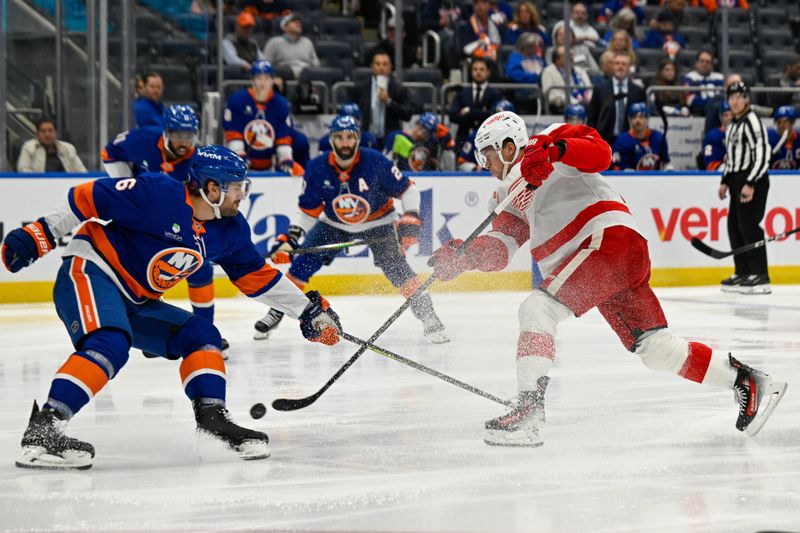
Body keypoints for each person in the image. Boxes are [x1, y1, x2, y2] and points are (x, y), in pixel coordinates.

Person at [428, 110, 786, 447]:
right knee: (657, 350)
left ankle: (529, 413)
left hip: (606, 243)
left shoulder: (550, 139)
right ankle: (748, 381)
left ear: (508, 146)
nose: (483, 165)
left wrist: (556, 151)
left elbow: (601, 153)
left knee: (537, 310)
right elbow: (502, 249)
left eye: (486, 155)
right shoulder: (505, 195)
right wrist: (465, 257)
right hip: (609, 261)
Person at [1, 145, 342, 469]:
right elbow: (85, 198)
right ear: (212, 188)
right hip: (92, 272)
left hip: (138, 300)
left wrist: (307, 311)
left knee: (202, 335)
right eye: (237, 187)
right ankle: (44, 431)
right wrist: (39, 233)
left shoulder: (230, 229)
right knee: (110, 344)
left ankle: (213, 421)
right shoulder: (158, 194)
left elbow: (256, 276)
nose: (243, 194)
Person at [253, 115, 449, 343]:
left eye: (349, 137)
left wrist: (411, 215)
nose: (345, 143)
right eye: (339, 138)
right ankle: (277, 311)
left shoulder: (376, 161)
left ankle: (428, 316)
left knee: (397, 269)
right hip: (335, 223)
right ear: (331, 139)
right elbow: (309, 211)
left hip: (379, 222)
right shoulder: (317, 167)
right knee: (302, 263)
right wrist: (291, 239)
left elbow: (408, 190)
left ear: (357, 138)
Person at [103, 106, 226, 332]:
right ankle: (150, 328)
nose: (184, 142)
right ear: (166, 132)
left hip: (177, 220)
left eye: (189, 136)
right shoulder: (142, 139)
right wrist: (127, 188)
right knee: (142, 269)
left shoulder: (198, 162)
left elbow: (206, 202)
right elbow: (109, 153)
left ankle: (206, 330)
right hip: (143, 217)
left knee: (200, 268)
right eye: (179, 135)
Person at [719, 82, 771, 294]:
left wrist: (751, 183)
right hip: (736, 180)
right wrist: (724, 180)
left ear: (746, 98)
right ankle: (742, 271)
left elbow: (763, 154)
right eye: (732, 97)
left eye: (739, 96)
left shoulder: (753, 122)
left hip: (753, 178)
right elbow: (730, 158)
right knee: (734, 226)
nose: (735, 101)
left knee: (749, 225)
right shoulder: (731, 125)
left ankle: (760, 274)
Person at [223, 60, 296, 173]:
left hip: (269, 164)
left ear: (273, 80)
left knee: (301, 142)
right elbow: (233, 134)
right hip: (240, 165)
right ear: (252, 80)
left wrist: (285, 159)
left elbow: (283, 138)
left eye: (266, 78)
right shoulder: (237, 101)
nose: (262, 83)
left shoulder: (281, 105)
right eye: (258, 78)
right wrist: (239, 157)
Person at [354, 52, 416, 148]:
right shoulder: (361, 87)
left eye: (385, 64)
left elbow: (407, 115)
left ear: (390, 67)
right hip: (367, 140)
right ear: (372, 67)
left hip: (390, 140)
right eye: (378, 64)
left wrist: (389, 101)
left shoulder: (399, 89)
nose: (381, 67)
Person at [587, 52, 646, 148]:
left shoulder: (638, 91)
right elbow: (592, 117)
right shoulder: (600, 89)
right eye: (617, 63)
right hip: (604, 141)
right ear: (612, 66)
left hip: (631, 141)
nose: (620, 67)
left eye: (624, 64)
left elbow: (643, 117)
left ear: (629, 67)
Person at [449, 57, 502, 151]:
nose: (478, 72)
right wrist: (481, 114)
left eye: (482, 69)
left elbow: (495, 116)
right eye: (475, 69)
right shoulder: (462, 93)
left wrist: (469, 111)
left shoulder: (495, 94)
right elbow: (453, 115)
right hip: (463, 140)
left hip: (487, 142)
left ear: (488, 72)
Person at [384, 111, 456, 171]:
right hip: (402, 178)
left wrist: (448, 143)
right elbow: (385, 162)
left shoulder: (431, 142)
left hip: (423, 179)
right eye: (420, 128)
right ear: (416, 123)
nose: (420, 133)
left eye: (425, 133)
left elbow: (443, 167)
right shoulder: (396, 136)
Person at [457, 100, 516, 171]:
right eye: (496, 118)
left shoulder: (519, 138)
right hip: (483, 180)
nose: (500, 122)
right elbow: (461, 163)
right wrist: (475, 168)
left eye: (505, 119)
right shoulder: (476, 137)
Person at [611, 102, 671, 170]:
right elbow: (617, 169)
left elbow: (665, 163)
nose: (637, 120)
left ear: (647, 119)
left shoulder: (659, 138)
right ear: (629, 120)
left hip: (655, 179)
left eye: (641, 116)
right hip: (631, 179)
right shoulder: (621, 141)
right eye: (634, 117)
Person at [17, 118, 86, 173]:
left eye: (50, 131)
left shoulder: (68, 148)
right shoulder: (29, 148)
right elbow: (23, 171)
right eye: (43, 131)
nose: (47, 134)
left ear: (56, 133)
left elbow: (81, 172)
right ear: (37, 134)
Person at [262, 13, 319, 79]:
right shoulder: (274, 42)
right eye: (294, 21)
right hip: (284, 78)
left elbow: (316, 64)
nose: (298, 23)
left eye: (299, 22)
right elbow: (265, 65)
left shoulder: (307, 42)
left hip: (307, 78)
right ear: (284, 27)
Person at [541, 46, 593, 114]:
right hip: (564, 107)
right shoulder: (548, 72)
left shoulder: (580, 70)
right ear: (557, 60)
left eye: (571, 55)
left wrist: (589, 98)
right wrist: (575, 102)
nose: (571, 58)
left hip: (586, 104)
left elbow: (590, 88)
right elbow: (550, 95)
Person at [683, 50, 724, 116]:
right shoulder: (690, 77)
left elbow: (724, 98)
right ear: (696, 63)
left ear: (712, 64)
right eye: (702, 61)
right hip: (697, 112)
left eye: (707, 62)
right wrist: (713, 101)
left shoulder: (720, 78)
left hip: (718, 113)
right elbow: (689, 100)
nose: (704, 64)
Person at [768, 105, 800, 170]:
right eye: (779, 122)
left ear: (792, 123)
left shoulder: (798, 139)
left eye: (785, 121)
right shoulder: (769, 138)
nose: (781, 125)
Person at [702, 100, 732, 171]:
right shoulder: (712, 136)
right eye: (726, 115)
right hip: (720, 173)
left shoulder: (743, 134)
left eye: (732, 115)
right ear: (721, 117)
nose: (729, 118)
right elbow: (710, 165)